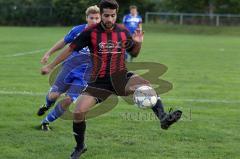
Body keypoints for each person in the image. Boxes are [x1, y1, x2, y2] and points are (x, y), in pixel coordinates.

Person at [41, 0, 182, 158]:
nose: (109, 19)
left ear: (116, 15)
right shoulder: (91, 32)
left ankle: (163, 119)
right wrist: (51, 65)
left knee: (146, 87)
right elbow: (70, 49)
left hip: (120, 76)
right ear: (101, 15)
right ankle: (80, 146)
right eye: (106, 15)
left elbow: (134, 53)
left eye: (112, 16)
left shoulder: (122, 31)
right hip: (99, 81)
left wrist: (138, 42)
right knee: (79, 112)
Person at [37, 5, 101, 131]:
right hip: (69, 68)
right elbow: (64, 42)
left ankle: (46, 122)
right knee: (53, 96)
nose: (94, 21)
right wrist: (48, 54)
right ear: (86, 18)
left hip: (85, 75)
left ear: (100, 19)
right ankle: (47, 105)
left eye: (97, 18)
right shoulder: (78, 30)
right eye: (91, 18)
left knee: (69, 99)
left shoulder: (103, 36)